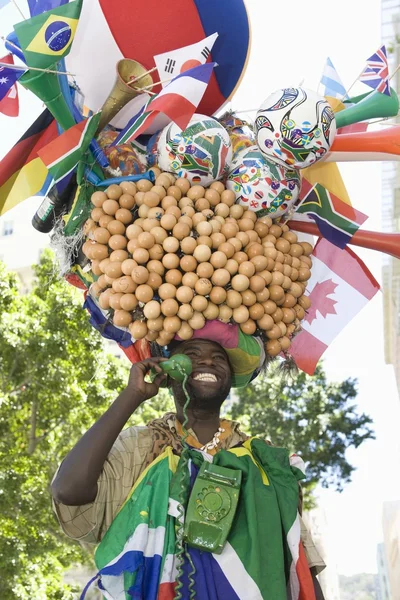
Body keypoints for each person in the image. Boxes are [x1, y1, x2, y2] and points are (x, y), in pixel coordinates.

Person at [52, 337, 325, 600]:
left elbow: (299, 563)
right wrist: (132, 396)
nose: (208, 361)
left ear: (230, 378)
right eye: (192, 355)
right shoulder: (141, 446)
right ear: (169, 373)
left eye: (220, 358)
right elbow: (68, 490)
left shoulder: (263, 461)